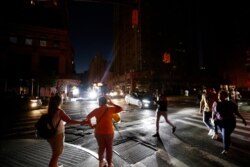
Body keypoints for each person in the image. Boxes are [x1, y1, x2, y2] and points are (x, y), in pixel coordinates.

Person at [47, 94, 87, 167]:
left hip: (51, 135)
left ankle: (55, 165)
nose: (62, 101)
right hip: (57, 134)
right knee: (57, 153)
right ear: (59, 102)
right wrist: (81, 122)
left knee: (55, 152)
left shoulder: (50, 110)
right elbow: (69, 120)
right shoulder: (59, 111)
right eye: (61, 100)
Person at [85, 96, 123, 167]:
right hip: (109, 132)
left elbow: (87, 117)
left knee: (101, 147)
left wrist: (91, 125)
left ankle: (101, 162)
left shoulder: (96, 110)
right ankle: (109, 164)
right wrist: (112, 103)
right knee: (109, 148)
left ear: (99, 102)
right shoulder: (111, 109)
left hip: (99, 132)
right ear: (106, 102)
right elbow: (121, 108)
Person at [214, 90, 247, 155]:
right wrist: (214, 117)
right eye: (218, 95)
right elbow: (215, 112)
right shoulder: (216, 103)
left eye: (221, 95)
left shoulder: (230, 103)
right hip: (221, 122)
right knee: (225, 135)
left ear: (225, 96)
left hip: (229, 122)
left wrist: (243, 119)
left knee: (225, 135)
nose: (219, 96)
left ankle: (226, 149)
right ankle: (228, 142)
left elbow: (236, 112)